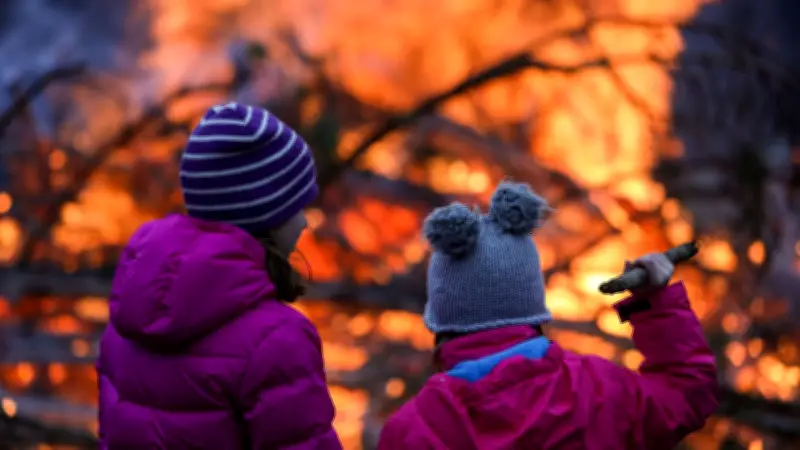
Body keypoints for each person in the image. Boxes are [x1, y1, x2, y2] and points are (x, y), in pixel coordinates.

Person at [377, 181, 720, 450]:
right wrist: (656, 304)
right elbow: (686, 395)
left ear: (441, 317)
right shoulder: (600, 392)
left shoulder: (413, 433)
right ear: (532, 303)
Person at [96, 102, 342, 449]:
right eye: (296, 207)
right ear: (264, 213)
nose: (304, 223)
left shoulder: (124, 324)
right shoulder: (278, 339)